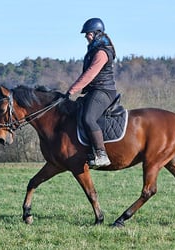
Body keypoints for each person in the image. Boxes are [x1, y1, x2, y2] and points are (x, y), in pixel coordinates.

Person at [66, 18, 117, 169]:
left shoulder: (101, 52)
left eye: (88, 33)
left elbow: (90, 74)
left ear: (96, 33)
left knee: (88, 118)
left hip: (103, 91)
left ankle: (101, 154)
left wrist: (72, 90)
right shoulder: (94, 48)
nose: (85, 36)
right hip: (95, 90)